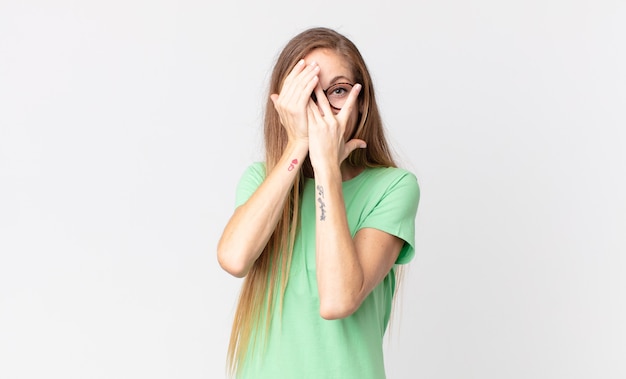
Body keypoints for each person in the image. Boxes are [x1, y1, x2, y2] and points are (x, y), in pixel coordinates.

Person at [217, 27, 420, 379]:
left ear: (362, 103)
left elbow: (338, 301)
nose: (322, 107)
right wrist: (298, 146)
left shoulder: (393, 187)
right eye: (307, 94)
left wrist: (327, 166)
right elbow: (234, 259)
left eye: (338, 91)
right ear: (284, 104)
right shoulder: (261, 180)